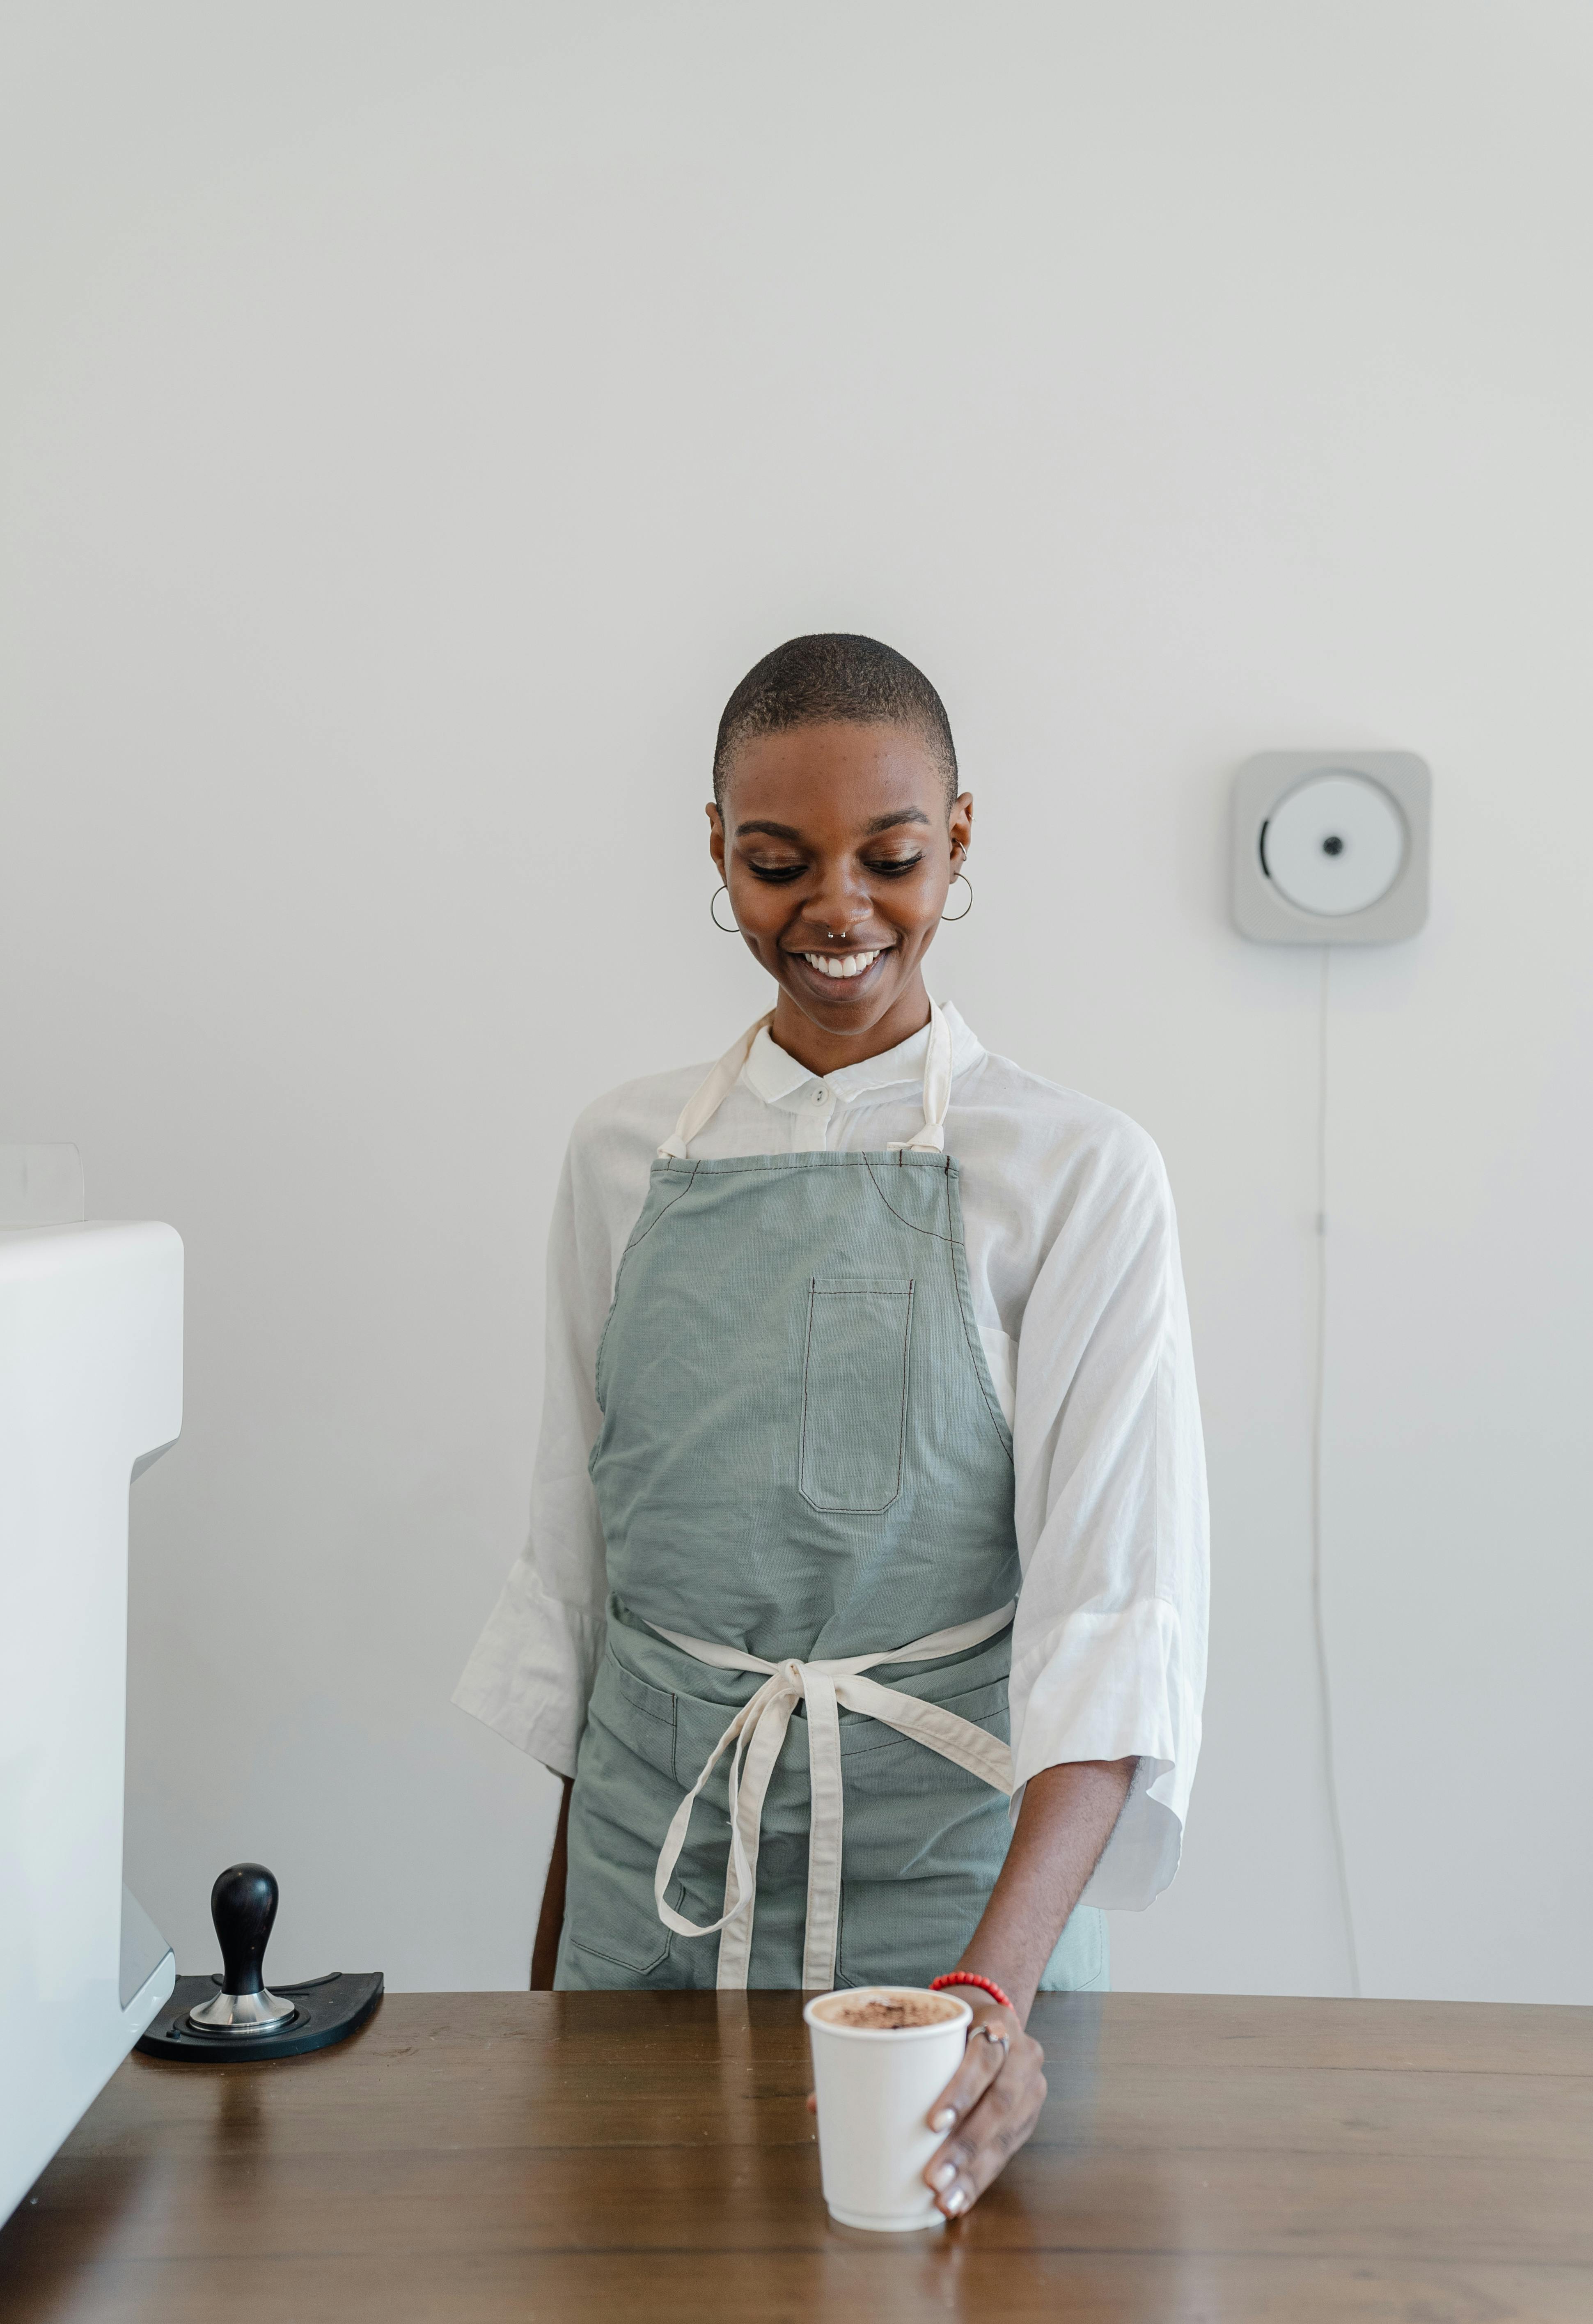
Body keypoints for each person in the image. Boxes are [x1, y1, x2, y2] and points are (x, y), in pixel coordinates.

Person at [456, 633, 1208, 2217]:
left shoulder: (1075, 1171)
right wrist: (552, 1992)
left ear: (962, 842)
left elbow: (1111, 1618)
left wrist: (992, 2004)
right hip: (652, 1890)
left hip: (956, 1895)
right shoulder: (621, 1159)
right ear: (717, 852)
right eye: (777, 863)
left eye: (893, 857)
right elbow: (582, 1584)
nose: (839, 911)